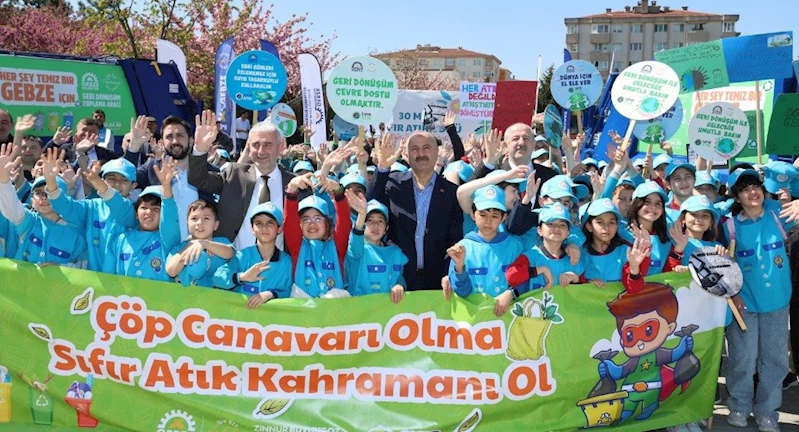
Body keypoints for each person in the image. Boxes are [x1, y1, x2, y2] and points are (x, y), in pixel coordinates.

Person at [723, 168, 792, 432]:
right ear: (736, 197)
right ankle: (739, 406)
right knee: (742, 358)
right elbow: (725, 266)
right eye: (744, 189)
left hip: (777, 302)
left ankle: (767, 412)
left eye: (756, 186)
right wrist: (733, 294)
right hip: (744, 304)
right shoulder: (729, 226)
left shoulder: (778, 215)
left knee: (775, 359)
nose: (752, 192)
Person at [187, 111, 307, 250]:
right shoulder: (234, 175)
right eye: (255, 145)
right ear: (248, 146)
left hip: (280, 262)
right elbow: (198, 179)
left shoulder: (295, 185)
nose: (261, 151)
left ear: (280, 147)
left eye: (267, 145)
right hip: (234, 260)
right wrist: (200, 149)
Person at [367, 132, 463, 291]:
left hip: (439, 282)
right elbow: (371, 203)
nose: (421, 154)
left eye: (426, 148)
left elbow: (454, 238)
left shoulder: (451, 192)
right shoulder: (393, 183)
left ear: (437, 152)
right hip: (397, 280)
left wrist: (449, 273)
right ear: (407, 154)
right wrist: (382, 167)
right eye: (415, 149)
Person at [445, 185, 551, 316]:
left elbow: (525, 281)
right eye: (482, 214)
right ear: (472, 214)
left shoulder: (514, 246)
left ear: (503, 217)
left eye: (495, 216)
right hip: (475, 322)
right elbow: (462, 291)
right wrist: (459, 267)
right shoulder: (461, 249)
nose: (488, 221)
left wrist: (511, 293)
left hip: (507, 319)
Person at [125, 114, 218, 240]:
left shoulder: (210, 171)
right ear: (162, 142)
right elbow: (125, 179)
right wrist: (134, 146)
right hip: (161, 245)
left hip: (199, 246)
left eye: (180, 135)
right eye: (169, 137)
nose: (175, 141)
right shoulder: (153, 167)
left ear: (191, 140)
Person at [44, 152, 138, 272]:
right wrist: (50, 180)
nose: (117, 184)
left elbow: (118, 205)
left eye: (124, 180)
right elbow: (65, 207)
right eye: (111, 179)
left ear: (133, 186)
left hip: (125, 281)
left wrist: (97, 182)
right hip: (94, 279)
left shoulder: (135, 210)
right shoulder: (92, 206)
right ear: (103, 180)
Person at [283, 146, 353, 297]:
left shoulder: (336, 247)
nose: (312, 224)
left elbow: (345, 223)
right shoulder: (298, 247)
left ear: (327, 224)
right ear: (299, 225)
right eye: (305, 219)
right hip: (303, 310)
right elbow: (289, 222)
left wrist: (338, 191)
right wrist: (292, 189)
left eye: (317, 218)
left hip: (334, 310)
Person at [103, 159, 181, 282]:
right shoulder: (122, 238)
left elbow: (170, 219)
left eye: (156, 209)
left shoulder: (167, 239)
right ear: (136, 213)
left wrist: (166, 187)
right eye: (144, 208)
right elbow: (109, 274)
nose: (149, 212)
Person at [213, 202, 293, 307]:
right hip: (240, 315)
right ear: (252, 229)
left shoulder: (287, 262)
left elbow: (288, 291)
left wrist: (270, 294)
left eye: (270, 223)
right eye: (259, 223)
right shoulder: (242, 256)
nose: (264, 227)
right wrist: (242, 277)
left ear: (279, 229)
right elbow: (217, 278)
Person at [345, 195, 408, 302]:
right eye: (370, 220)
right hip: (359, 309)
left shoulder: (395, 253)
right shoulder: (358, 250)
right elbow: (355, 242)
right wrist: (362, 214)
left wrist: (400, 285)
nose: (375, 225)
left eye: (380, 221)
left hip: (387, 310)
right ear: (363, 224)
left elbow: (399, 278)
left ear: (386, 228)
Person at [166, 199, 234, 287]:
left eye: (206, 218)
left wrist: (205, 244)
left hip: (215, 294)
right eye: (194, 218)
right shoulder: (180, 247)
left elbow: (230, 253)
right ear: (187, 224)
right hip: (186, 294)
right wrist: (189, 247)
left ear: (215, 225)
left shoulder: (221, 242)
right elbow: (171, 271)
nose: (200, 223)